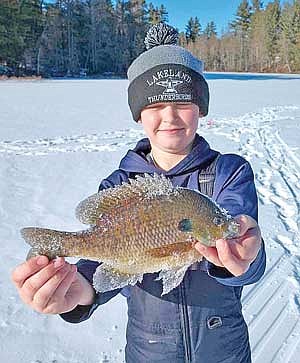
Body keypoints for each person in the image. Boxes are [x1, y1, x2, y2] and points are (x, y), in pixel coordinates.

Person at [11, 23, 266, 363]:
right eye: (155, 105)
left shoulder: (228, 172)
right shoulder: (120, 185)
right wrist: (76, 294)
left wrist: (244, 258)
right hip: (148, 353)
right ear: (138, 113)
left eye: (183, 103)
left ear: (201, 108)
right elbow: (99, 265)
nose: (170, 116)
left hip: (225, 351)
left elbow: (239, 239)